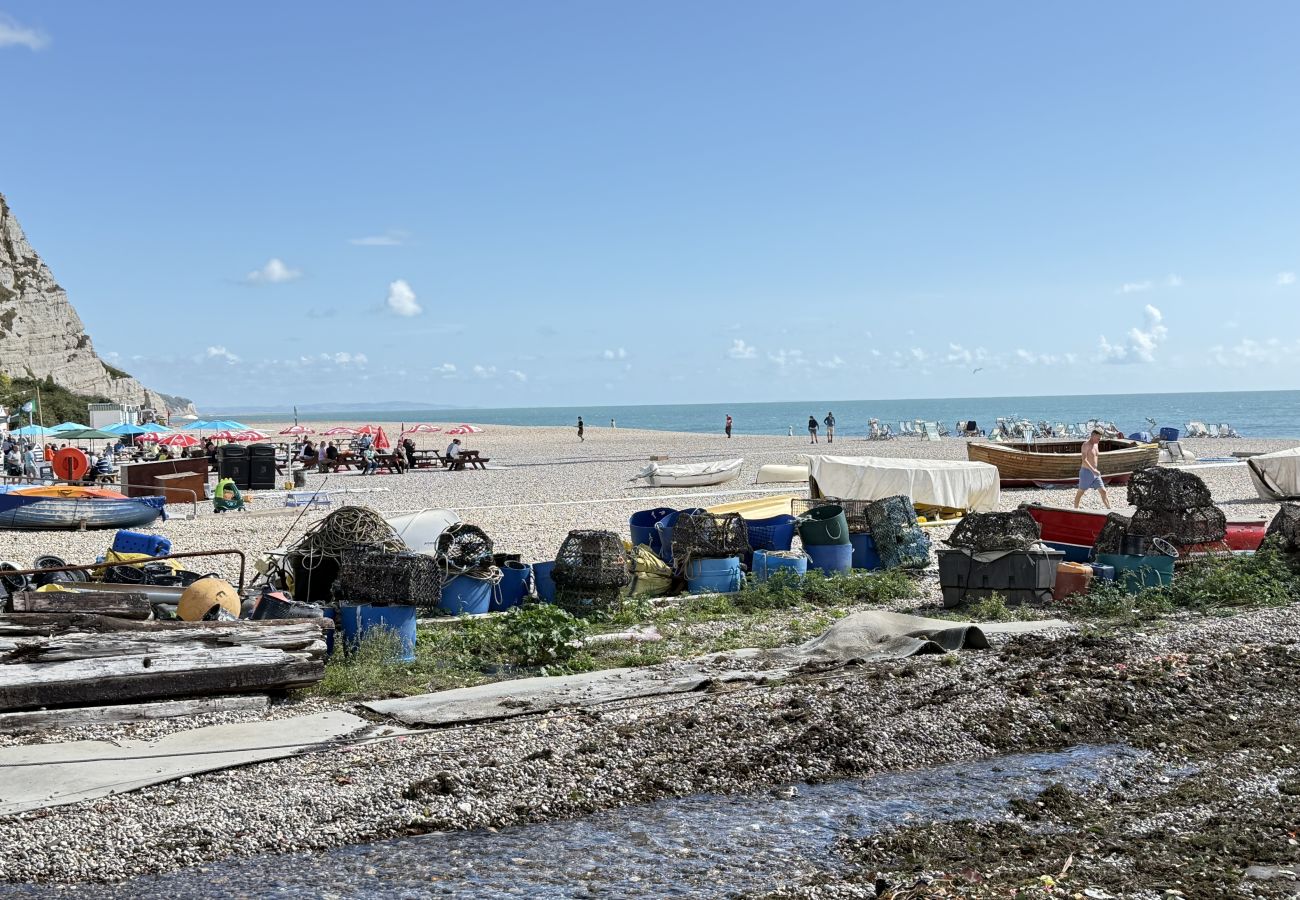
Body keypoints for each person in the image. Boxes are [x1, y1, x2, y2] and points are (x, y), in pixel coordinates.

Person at [1074, 428, 1111, 509]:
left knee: (1103, 491)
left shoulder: (1096, 444)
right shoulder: (1085, 445)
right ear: (1093, 436)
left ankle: (1109, 509)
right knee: (1081, 492)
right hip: (1086, 472)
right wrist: (1093, 470)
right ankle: (1075, 509)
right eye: (1098, 438)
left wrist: (1095, 470)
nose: (1099, 440)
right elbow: (1084, 460)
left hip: (1095, 473)